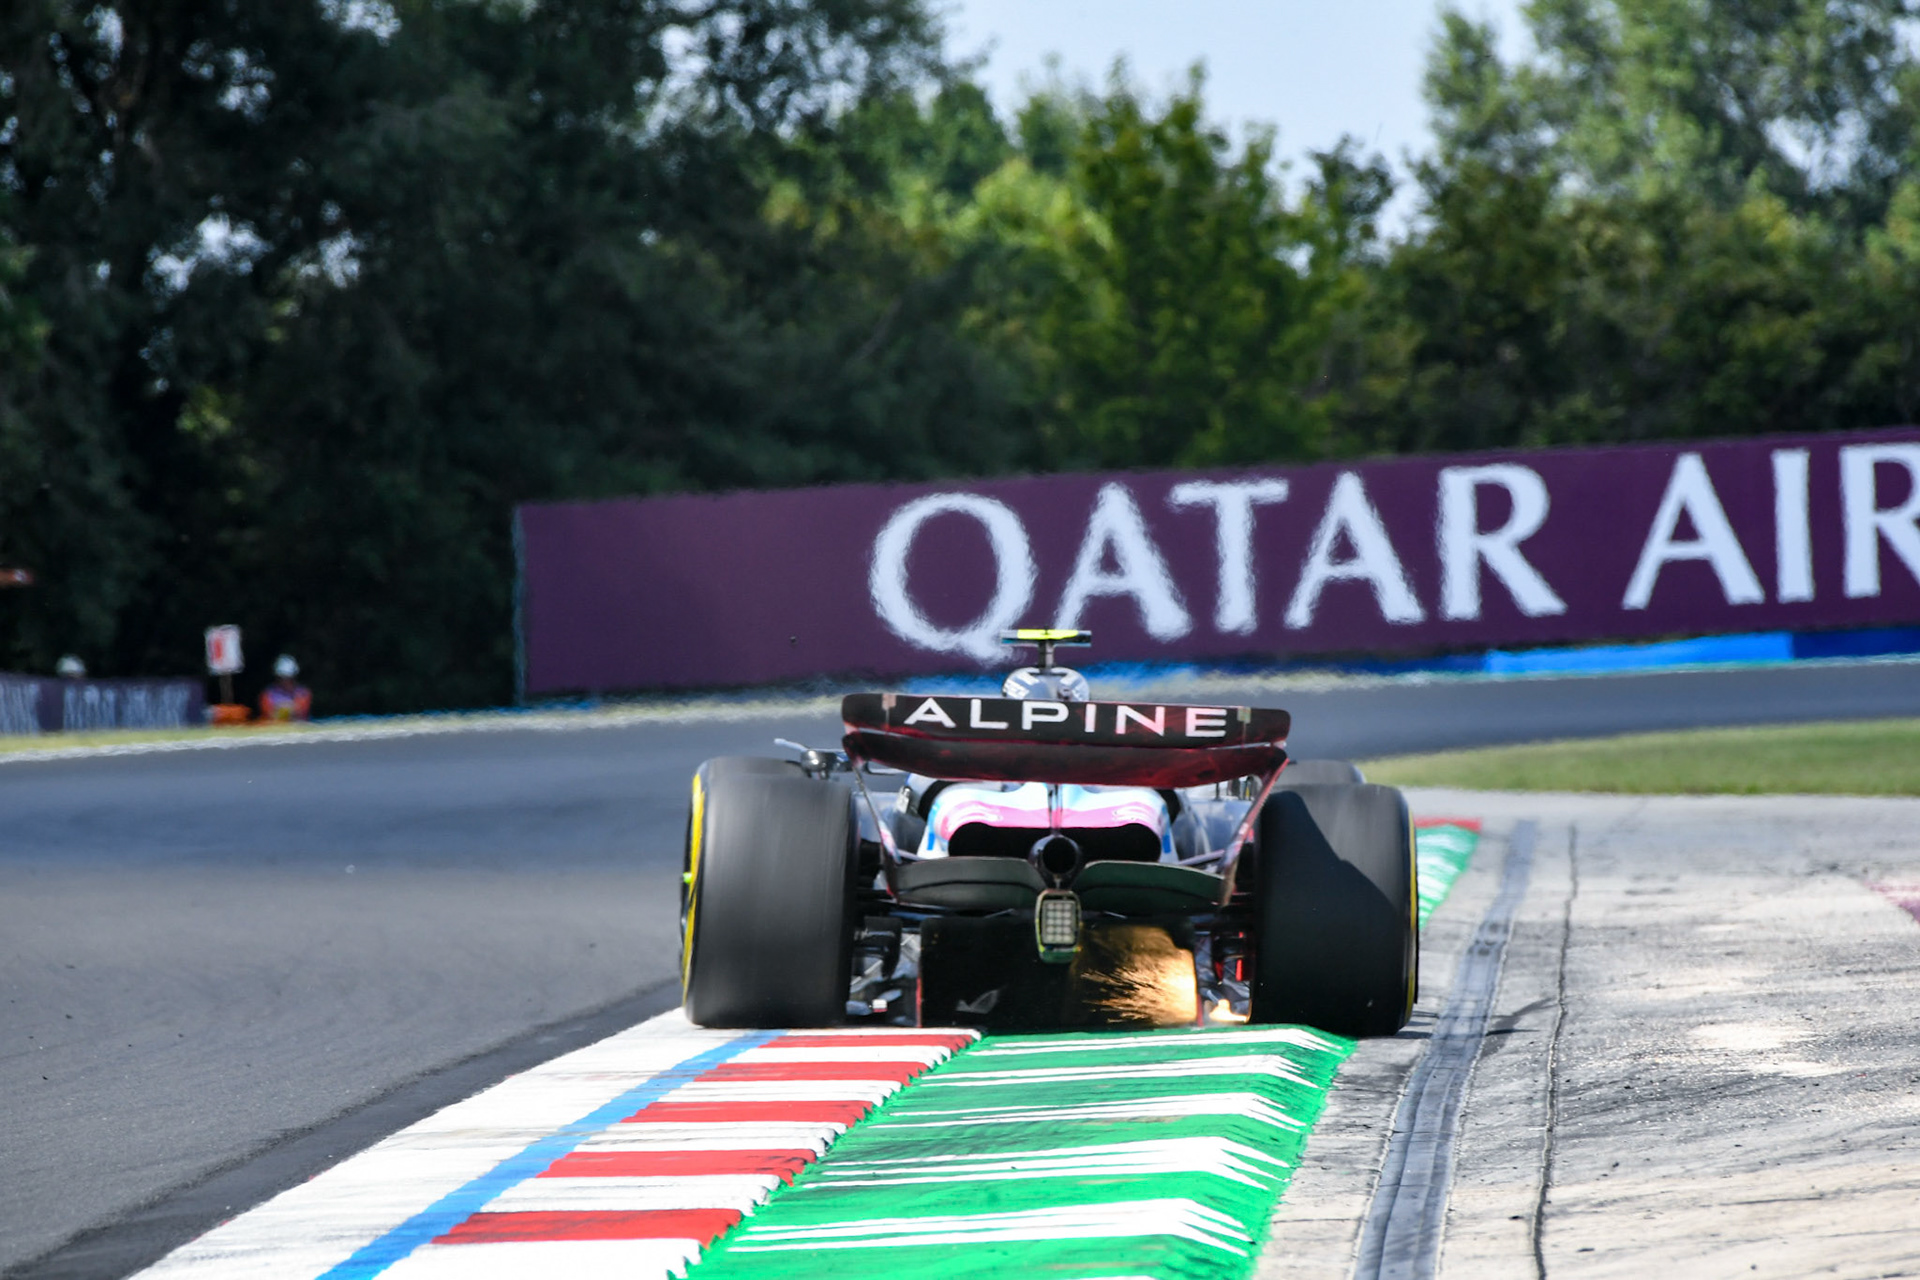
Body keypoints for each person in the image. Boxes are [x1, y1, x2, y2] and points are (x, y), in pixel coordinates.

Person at [259, 655, 312, 723]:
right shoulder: (268, 693)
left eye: (288, 677)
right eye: (282, 677)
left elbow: (303, 712)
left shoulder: (303, 693)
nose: (285, 680)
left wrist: (286, 711)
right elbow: (267, 713)